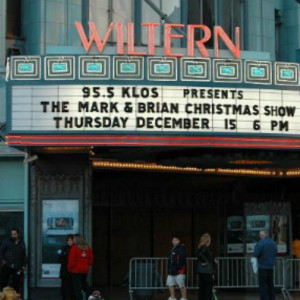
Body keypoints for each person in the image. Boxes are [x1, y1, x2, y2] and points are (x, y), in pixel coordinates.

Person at [0, 228, 26, 293]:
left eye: (15, 234)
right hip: (7, 264)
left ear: (18, 234)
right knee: (4, 281)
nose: (13, 236)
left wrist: (23, 265)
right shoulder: (6, 242)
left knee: (16, 282)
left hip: (17, 265)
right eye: (12, 234)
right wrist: (3, 260)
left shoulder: (21, 243)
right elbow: (1, 252)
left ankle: (15, 296)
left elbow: (24, 255)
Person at [253, 230, 277, 300]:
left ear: (262, 235)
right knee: (270, 284)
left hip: (263, 266)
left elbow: (256, 254)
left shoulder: (260, 243)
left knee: (263, 285)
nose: (260, 237)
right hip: (271, 266)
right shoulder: (273, 243)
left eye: (260, 235)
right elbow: (276, 253)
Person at [68, 236, 93, 300]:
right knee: (84, 284)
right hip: (84, 270)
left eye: (74, 239)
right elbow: (91, 259)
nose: (73, 241)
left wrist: (70, 268)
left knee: (77, 287)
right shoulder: (87, 248)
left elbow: (71, 260)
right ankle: (89, 296)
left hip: (75, 270)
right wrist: (86, 265)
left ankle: (79, 298)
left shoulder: (74, 248)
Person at [197, 233, 214, 300]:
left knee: (202, 288)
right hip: (206, 271)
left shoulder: (201, 247)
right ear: (208, 240)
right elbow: (200, 254)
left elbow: (200, 254)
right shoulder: (204, 247)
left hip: (201, 271)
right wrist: (206, 261)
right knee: (208, 288)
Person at [59, 234, 74, 300]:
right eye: (68, 240)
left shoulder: (75, 248)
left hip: (72, 272)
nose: (69, 241)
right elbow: (59, 259)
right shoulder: (64, 248)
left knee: (71, 287)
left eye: (71, 240)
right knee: (64, 288)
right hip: (65, 271)